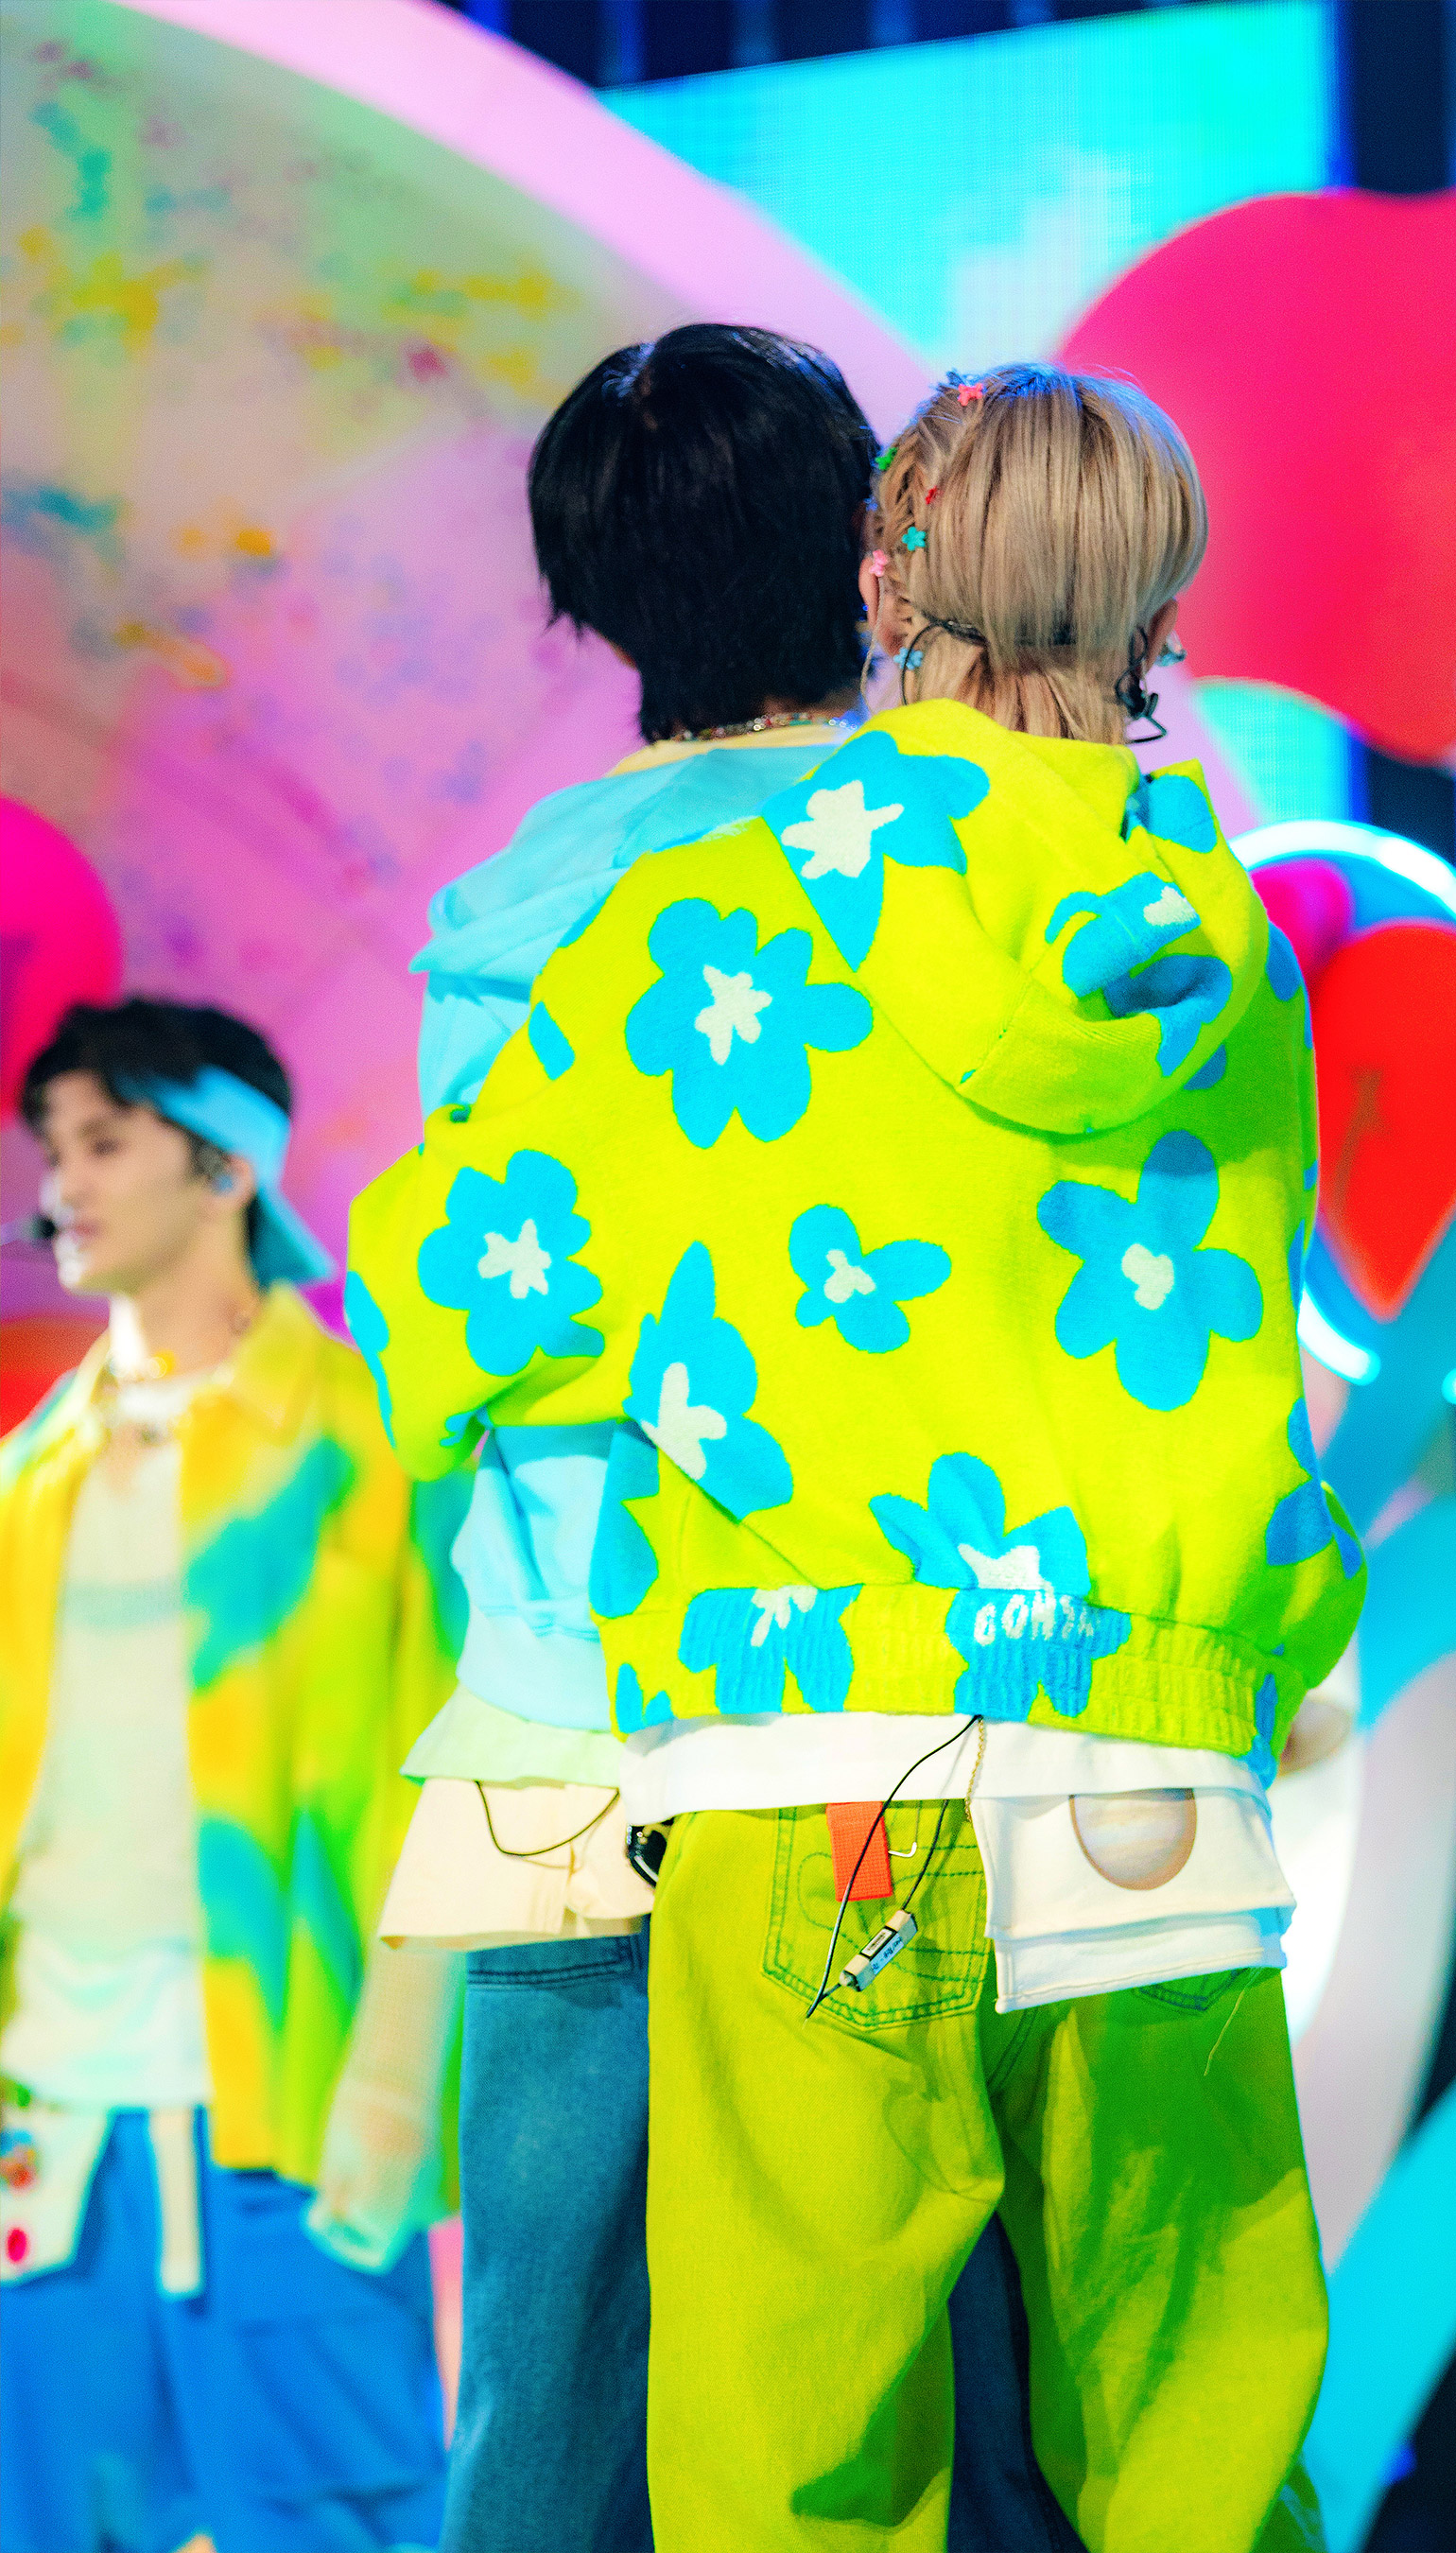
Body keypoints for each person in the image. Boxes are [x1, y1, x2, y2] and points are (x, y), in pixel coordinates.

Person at [351, 360, 1365, 2552]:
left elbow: (462, 1286)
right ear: (1157, 604)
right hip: (1149, 1766)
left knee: (797, 2438)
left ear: (887, 580)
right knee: (1195, 2437)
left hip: (810, 1762)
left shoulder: (699, 928)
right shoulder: (1216, 949)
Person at [369, 323, 1083, 2553]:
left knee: (556, 2375)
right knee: (952, 2346)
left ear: (588, 600)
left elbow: (469, 1325)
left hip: (562, 1709)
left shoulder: (506, 924)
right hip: (889, 1699)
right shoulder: (966, 863)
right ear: (880, 551)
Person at [0, 998, 466, 2553]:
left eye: (104, 1142)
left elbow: (444, 1780)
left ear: (226, 1164)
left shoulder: (370, 1442)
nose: (62, 1182)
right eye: (53, 1147)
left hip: (288, 2114)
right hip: (45, 2123)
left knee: (337, 2522)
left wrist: (400, 2086)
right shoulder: (31, 1473)